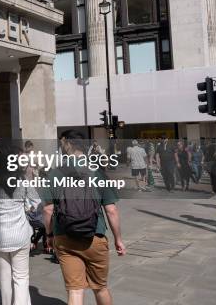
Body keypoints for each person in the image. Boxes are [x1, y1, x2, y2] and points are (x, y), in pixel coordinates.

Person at [43, 130, 126, 305]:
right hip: (95, 235)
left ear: (67, 144)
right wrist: (118, 239)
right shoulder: (97, 171)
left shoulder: (54, 172)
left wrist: (49, 236)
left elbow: (49, 210)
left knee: (75, 290)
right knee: (100, 287)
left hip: (65, 237)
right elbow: (111, 210)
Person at [0, 143, 40, 305]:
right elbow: (35, 203)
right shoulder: (22, 180)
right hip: (19, 234)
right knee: (20, 277)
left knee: (4, 278)